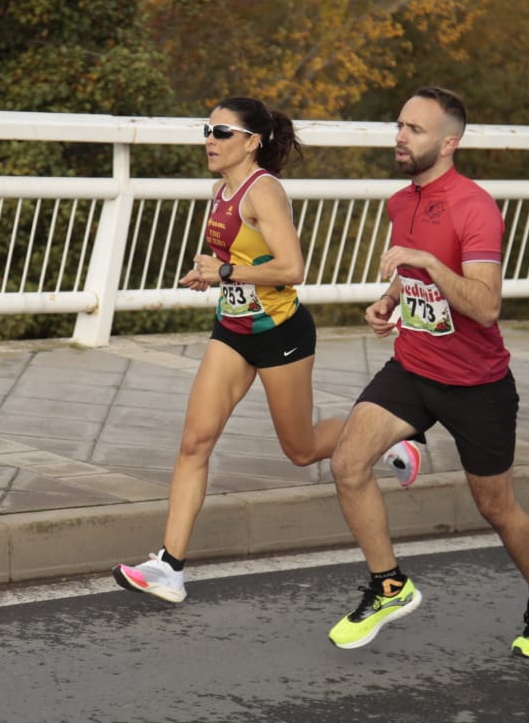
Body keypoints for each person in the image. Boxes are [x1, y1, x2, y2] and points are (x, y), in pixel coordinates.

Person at [112, 96, 421, 604]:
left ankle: (382, 438)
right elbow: (230, 255)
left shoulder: (265, 192)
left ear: (252, 141)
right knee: (195, 442)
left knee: (300, 449)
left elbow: (292, 269)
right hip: (233, 330)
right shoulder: (220, 191)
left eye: (221, 133)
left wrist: (227, 272)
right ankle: (169, 566)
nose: (209, 141)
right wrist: (207, 269)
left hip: (281, 334)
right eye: (206, 130)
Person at [325, 87, 529, 660]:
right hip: (413, 368)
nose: (400, 136)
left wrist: (431, 264)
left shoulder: (475, 208)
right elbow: (412, 272)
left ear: (448, 142)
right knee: (347, 463)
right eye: (400, 125)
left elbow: (486, 306)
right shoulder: (400, 202)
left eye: (414, 129)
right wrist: (390, 299)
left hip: (477, 385)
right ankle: (389, 586)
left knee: (497, 509)